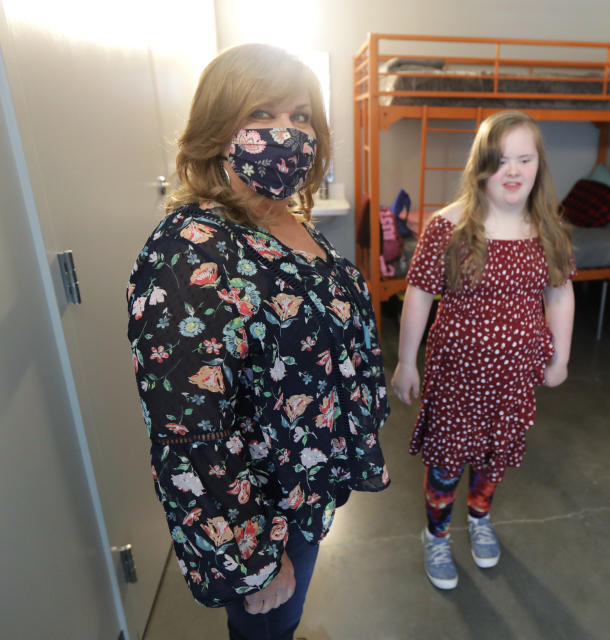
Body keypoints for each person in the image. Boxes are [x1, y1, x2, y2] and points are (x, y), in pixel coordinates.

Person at [126, 43, 390, 639]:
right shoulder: (188, 251)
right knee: (269, 629)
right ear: (219, 130)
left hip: (304, 488)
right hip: (263, 518)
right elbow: (191, 434)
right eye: (261, 115)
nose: (287, 133)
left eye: (301, 116)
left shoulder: (284, 218)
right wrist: (253, 565)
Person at [391, 110, 575, 589]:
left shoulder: (548, 227)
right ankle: (436, 533)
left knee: (494, 457)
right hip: (457, 377)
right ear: (480, 166)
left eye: (524, 158)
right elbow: (419, 293)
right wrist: (406, 361)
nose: (513, 170)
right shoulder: (448, 226)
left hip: (515, 378)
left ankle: (479, 518)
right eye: (500, 159)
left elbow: (560, 292)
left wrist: (562, 358)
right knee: (448, 460)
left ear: (538, 165)